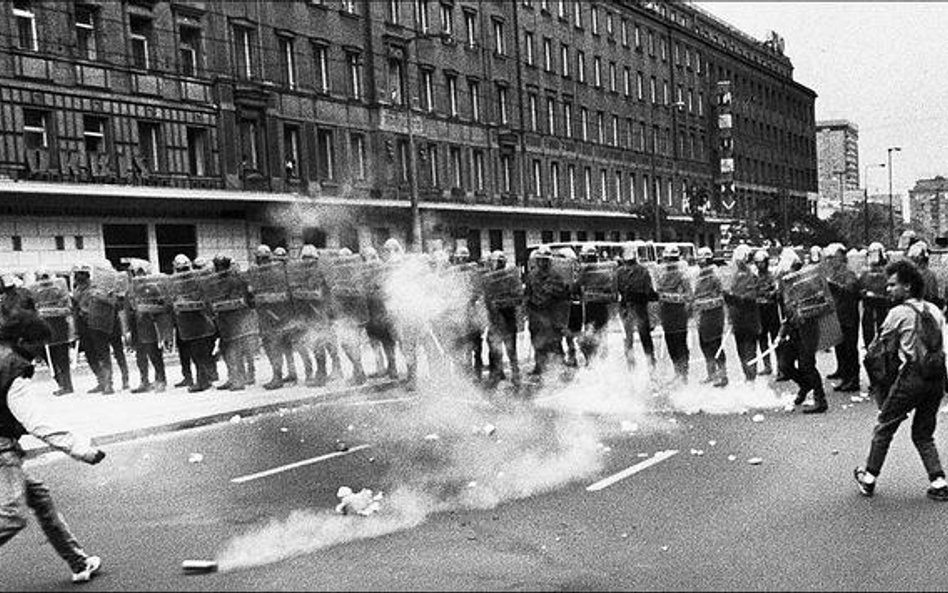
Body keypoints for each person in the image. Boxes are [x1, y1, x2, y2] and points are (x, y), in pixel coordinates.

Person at [0, 309, 106, 583]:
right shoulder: (13, 369)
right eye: (37, 345)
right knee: (11, 516)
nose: (40, 353)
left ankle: (79, 562)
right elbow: (38, 423)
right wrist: (81, 448)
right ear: (22, 340)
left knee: (40, 496)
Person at [854, 259, 948, 501]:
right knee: (923, 433)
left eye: (893, 285)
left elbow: (879, 348)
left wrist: (880, 385)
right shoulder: (934, 311)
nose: (888, 289)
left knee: (885, 425)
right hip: (937, 379)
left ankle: (869, 478)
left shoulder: (898, 313)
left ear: (907, 287)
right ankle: (938, 481)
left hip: (912, 377)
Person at [524, 245, 570, 377]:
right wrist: (528, 305)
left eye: (545, 260)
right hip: (536, 315)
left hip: (551, 314)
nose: (542, 262)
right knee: (537, 342)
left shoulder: (556, 276)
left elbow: (562, 293)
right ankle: (539, 366)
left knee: (555, 341)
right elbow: (527, 293)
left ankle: (560, 366)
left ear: (549, 261)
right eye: (540, 260)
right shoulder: (531, 275)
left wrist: (549, 296)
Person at [825, 243, 861, 392]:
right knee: (840, 347)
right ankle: (845, 375)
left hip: (848, 315)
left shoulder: (848, 273)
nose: (832, 261)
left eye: (834, 258)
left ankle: (853, 379)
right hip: (838, 315)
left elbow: (851, 290)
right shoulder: (833, 273)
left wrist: (833, 285)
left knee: (850, 349)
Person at [127, 262, 167, 393]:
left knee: (154, 354)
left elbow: (161, 304)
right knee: (140, 356)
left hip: (149, 324)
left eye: (140, 272)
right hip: (136, 326)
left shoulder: (153, 288)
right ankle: (144, 381)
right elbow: (127, 310)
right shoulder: (131, 290)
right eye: (134, 272)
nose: (137, 275)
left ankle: (160, 379)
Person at [616, 241, 657, 368]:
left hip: (626, 308)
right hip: (640, 308)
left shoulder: (619, 272)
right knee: (645, 337)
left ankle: (631, 366)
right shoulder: (643, 271)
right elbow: (649, 291)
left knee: (628, 339)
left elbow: (616, 289)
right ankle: (651, 365)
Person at [484, 250, 521, 390]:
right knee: (495, 350)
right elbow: (486, 297)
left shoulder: (511, 277)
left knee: (511, 350)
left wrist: (503, 301)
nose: (496, 265)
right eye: (494, 262)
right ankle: (497, 374)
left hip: (507, 318)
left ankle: (516, 375)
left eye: (498, 262)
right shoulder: (489, 278)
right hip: (494, 319)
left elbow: (517, 296)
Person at [724, 245, 760, 382]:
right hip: (737, 318)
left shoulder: (753, 274)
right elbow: (729, 293)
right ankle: (747, 376)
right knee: (741, 351)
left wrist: (734, 297)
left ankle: (751, 378)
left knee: (750, 350)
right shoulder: (733, 275)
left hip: (750, 317)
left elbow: (752, 296)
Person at [656, 244, 692, 381]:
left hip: (679, 313)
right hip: (666, 313)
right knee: (670, 343)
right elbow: (658, 292)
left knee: (680, 343)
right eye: (667, 260)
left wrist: (672, 298)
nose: (669, 263)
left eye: (672, 260)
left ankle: (683, 374)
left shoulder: (683, 275)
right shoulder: (662, 275)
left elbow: (689, 295)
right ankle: (677, 372)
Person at [694, 247, 728, 387]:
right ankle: (711, 373)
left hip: (714, 313)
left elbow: (722, 294)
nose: (698, 262)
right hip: (701, 314)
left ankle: (723, 374)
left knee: (715, 344)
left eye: (701, 259)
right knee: (704, 344)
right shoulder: (698, 275)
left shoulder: (715, 275)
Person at [754, 249, 780, 376]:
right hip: (759, 310)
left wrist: (770, 293)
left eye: (762, 262)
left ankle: (781, 367)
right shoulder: (755, 277)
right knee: (762, 338)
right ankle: (767, 365)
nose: (759, 265)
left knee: (775, 338)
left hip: (771, 310)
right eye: (757, 263)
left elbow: (776, 290)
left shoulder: (772, 275)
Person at [859, 242, 890, 348]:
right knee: (868, 325)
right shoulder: (865, 272)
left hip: (883, 302)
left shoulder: (887, 271)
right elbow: (861, 285)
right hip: (868, 303)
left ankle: (882, 345)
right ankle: (869, 346)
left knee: (883, 323)